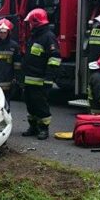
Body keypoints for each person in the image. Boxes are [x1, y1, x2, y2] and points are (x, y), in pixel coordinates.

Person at [21, 8, 61, 140]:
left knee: (41, 106)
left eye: (31, 22)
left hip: (40, 79)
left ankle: (43, 129)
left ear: (36, 22)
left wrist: (49, 79)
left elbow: (54, 59)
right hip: (29, 78)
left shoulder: (48, 37)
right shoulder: (35, 35)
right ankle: (33, 127)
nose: (30, 25)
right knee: (30, 104)